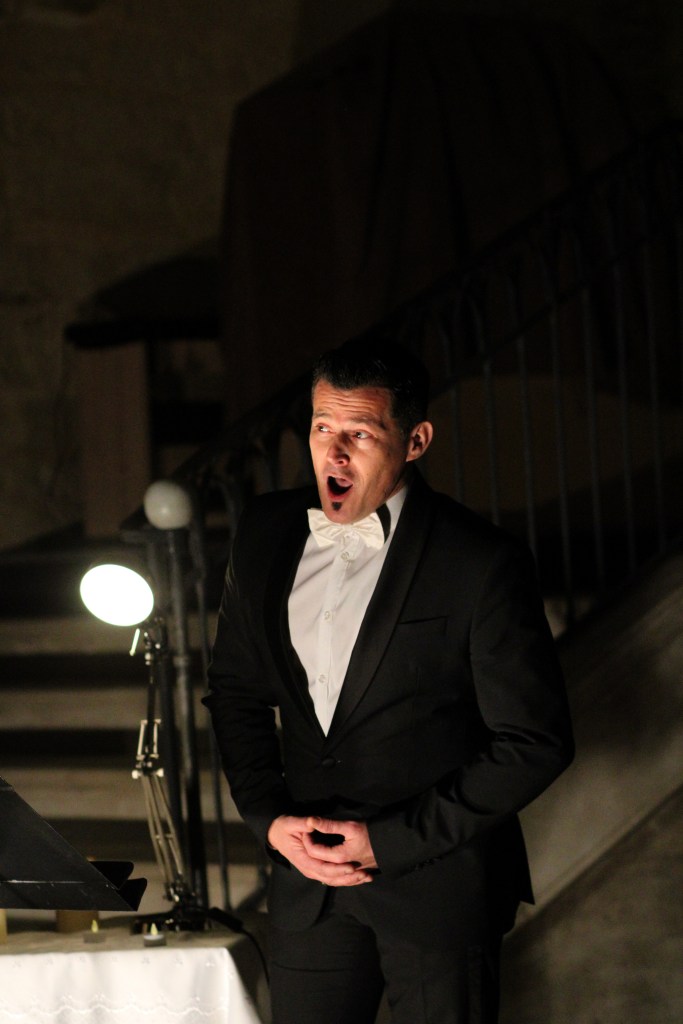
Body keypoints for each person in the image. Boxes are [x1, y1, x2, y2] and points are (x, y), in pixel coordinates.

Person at [204, 338, 574, 1024]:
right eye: (322, 427)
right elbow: (235, 693)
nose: (334, 453)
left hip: (438, 889)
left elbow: (535, 742)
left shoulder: (480, 561)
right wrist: (268, 818)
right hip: (308, 890)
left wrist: (391, 840)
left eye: (360, 433)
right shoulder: (262, 531)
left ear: (415, 441)